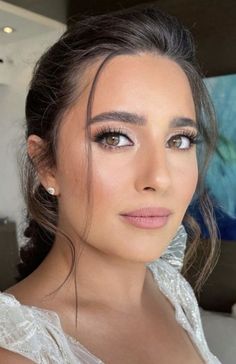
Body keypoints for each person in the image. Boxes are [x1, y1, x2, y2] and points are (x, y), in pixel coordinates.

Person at [0, 4, 221, 363]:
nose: (159, 177)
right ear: (46, 163)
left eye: (179, 140)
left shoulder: (170, 290)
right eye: (115, 138)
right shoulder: (17, 352)